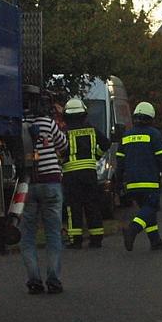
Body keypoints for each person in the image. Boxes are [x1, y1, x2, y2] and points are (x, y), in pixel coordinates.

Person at [21, 86, 68, 294]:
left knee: (28, 236)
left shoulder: (21, 125)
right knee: (53, 234)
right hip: (51, 182)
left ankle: (34, 279)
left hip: (28, 183)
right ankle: (53, 279)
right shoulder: (48, 123)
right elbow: (64, 144)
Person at [117, 102, 162, 251]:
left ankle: (155, 241)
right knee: (151, 207)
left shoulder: (126, 136)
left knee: (146, 211)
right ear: (151, 118)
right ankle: (132, 230)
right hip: (149, 182)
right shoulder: (154, 134)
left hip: (132, 183)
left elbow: (119, 162)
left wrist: (119, 182)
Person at [61, 98, 111, 248]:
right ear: (84, 113)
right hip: (89, 174)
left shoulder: (64, 132)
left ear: (67, 115)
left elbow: (60, 151)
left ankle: (76, 241)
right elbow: (106, 143)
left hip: (71, 176)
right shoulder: (92, 129)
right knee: (92, 205)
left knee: (73, 207)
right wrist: (95, 156)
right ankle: (96, 238)